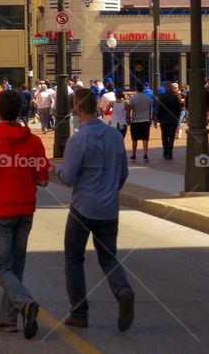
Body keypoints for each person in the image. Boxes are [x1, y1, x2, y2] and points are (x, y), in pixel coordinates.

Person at [55, 87, 135, 332]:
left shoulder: (77, 138)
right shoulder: (113, 136)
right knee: (109, 258)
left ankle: (79, 313)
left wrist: (55, 170)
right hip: (109, 208)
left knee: (73, 259)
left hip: (83, 207)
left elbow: (68, 176)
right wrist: (111, 190)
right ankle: (123, 290)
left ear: (78, 108)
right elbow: (123, 173)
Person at [0, 89, 48, 339]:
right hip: (26, 208)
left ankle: (25, 302)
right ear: (20, 111)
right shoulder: (34, 141)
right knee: (15, 266)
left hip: (1, 210)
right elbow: (43, 179)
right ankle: (7, 319)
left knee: (1, 267)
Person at [154, 82, 182, 160]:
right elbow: (178, 109)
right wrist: (177, 117)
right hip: (173, 120)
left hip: (163, 120)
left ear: (165, 88)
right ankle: (170, 152)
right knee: (171, 136)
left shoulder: (161, 97)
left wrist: (157, 119)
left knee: (164, 136)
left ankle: (165, 151)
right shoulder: (175, 97)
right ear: (171, 88)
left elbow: (158, 109)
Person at [127, 82, 152, 163]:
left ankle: (134, 154)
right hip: (145, 120)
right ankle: (145, 155)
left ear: (136, 88)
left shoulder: (133, 98)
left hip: (135, 120)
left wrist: (128, 118)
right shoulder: (148, 98)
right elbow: (150, 109)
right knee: (145, 138)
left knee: (134, 139)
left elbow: (129, 109)